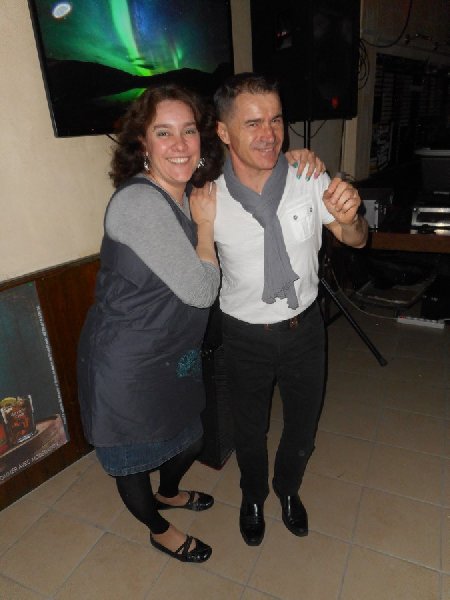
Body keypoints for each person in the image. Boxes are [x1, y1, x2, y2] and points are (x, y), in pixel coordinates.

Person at [77, 82, 323, 563]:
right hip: (127, 359)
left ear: (203, 136)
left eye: (188, 130)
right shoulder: (139, 202)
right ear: (142, 143)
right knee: (131, 458)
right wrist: (206, 228)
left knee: (189, 438)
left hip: (174, 351)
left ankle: (169, 492)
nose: (179, 144)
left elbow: (253, 169)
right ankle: (158, 528)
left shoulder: (188, 193)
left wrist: (295, 158)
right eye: (163, 132)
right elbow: (200, 289)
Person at [194, 73, 368, 546]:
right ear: (224, 132)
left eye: (275, 120)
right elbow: (198, 280)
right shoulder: (208, 200)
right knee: (249, 431)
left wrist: (352, 220)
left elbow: (356, 239)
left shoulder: (308, 177)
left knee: (302, 427)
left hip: (304, 330)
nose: (269, 134)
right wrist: (202, 229)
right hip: (244, 335)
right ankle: (253, 497)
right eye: (252, 123)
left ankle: (288, 490)